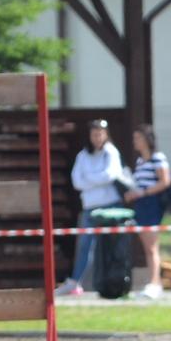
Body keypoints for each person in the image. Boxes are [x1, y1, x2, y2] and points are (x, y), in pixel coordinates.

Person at [60, 119, 130, 297]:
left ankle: (113, 280)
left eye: (100, 133)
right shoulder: (82, 155)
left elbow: (111, 174)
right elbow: (76, 181)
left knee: (110, 245)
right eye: (94, 134)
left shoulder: (111, 152)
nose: (97, 137)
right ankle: (76, 282)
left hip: (110, 208)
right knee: (84, 245)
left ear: (106, 135)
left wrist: (88, 179)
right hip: (90, 207)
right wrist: (97, 179)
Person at [123, 124, 171, 300]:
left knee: (152, 247)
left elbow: (165, 181)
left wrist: (143, 192)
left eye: (138, 138)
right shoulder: (139, 161)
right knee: (147, 247)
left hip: (152, 204)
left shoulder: (157, 158)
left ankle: (155, 282)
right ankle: (154, 282)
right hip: (140, 205)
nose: (135, 142)